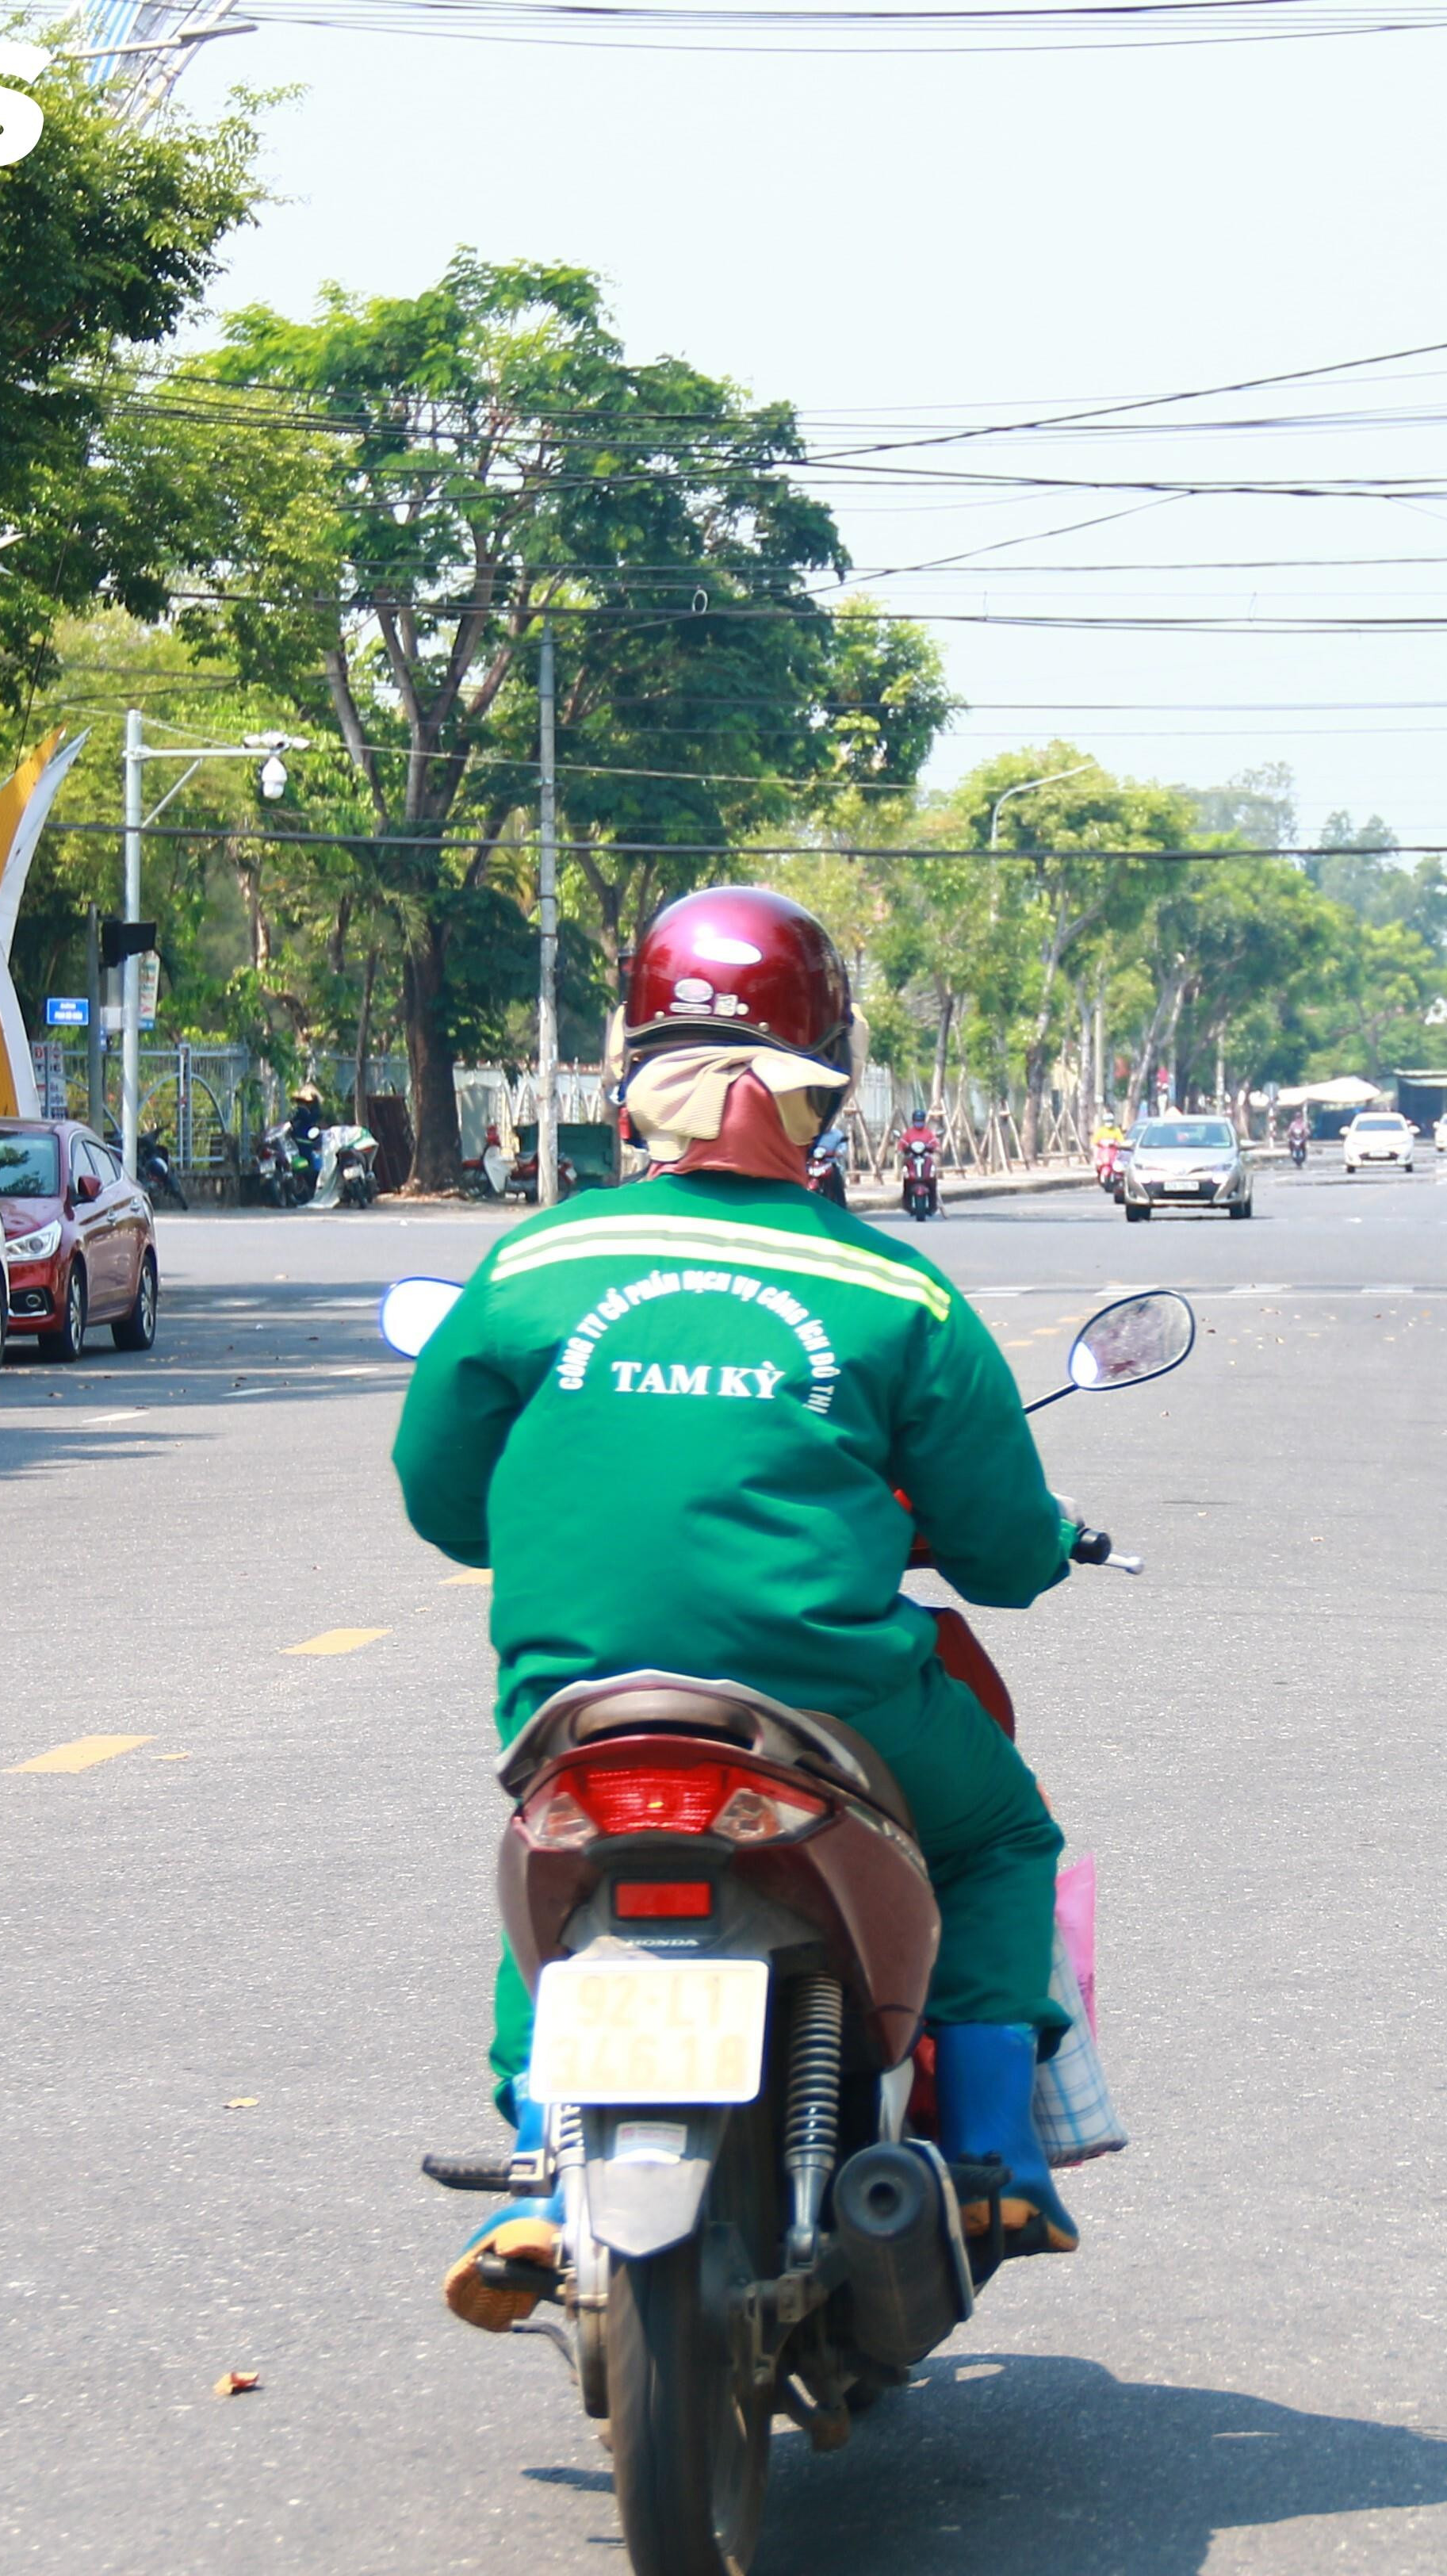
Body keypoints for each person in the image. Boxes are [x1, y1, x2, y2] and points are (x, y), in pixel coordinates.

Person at [392, 885, 1091, 2332]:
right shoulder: (892, 1287)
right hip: (819, 1702)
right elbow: (1010, 1555)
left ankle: (542, 2162)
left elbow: (440, 1499)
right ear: (821, 1077)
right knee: (1001, 1831)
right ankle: (990, 2148)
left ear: (635, 1074)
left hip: (579, 1698)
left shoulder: (535, 1261)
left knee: (557, 1850)